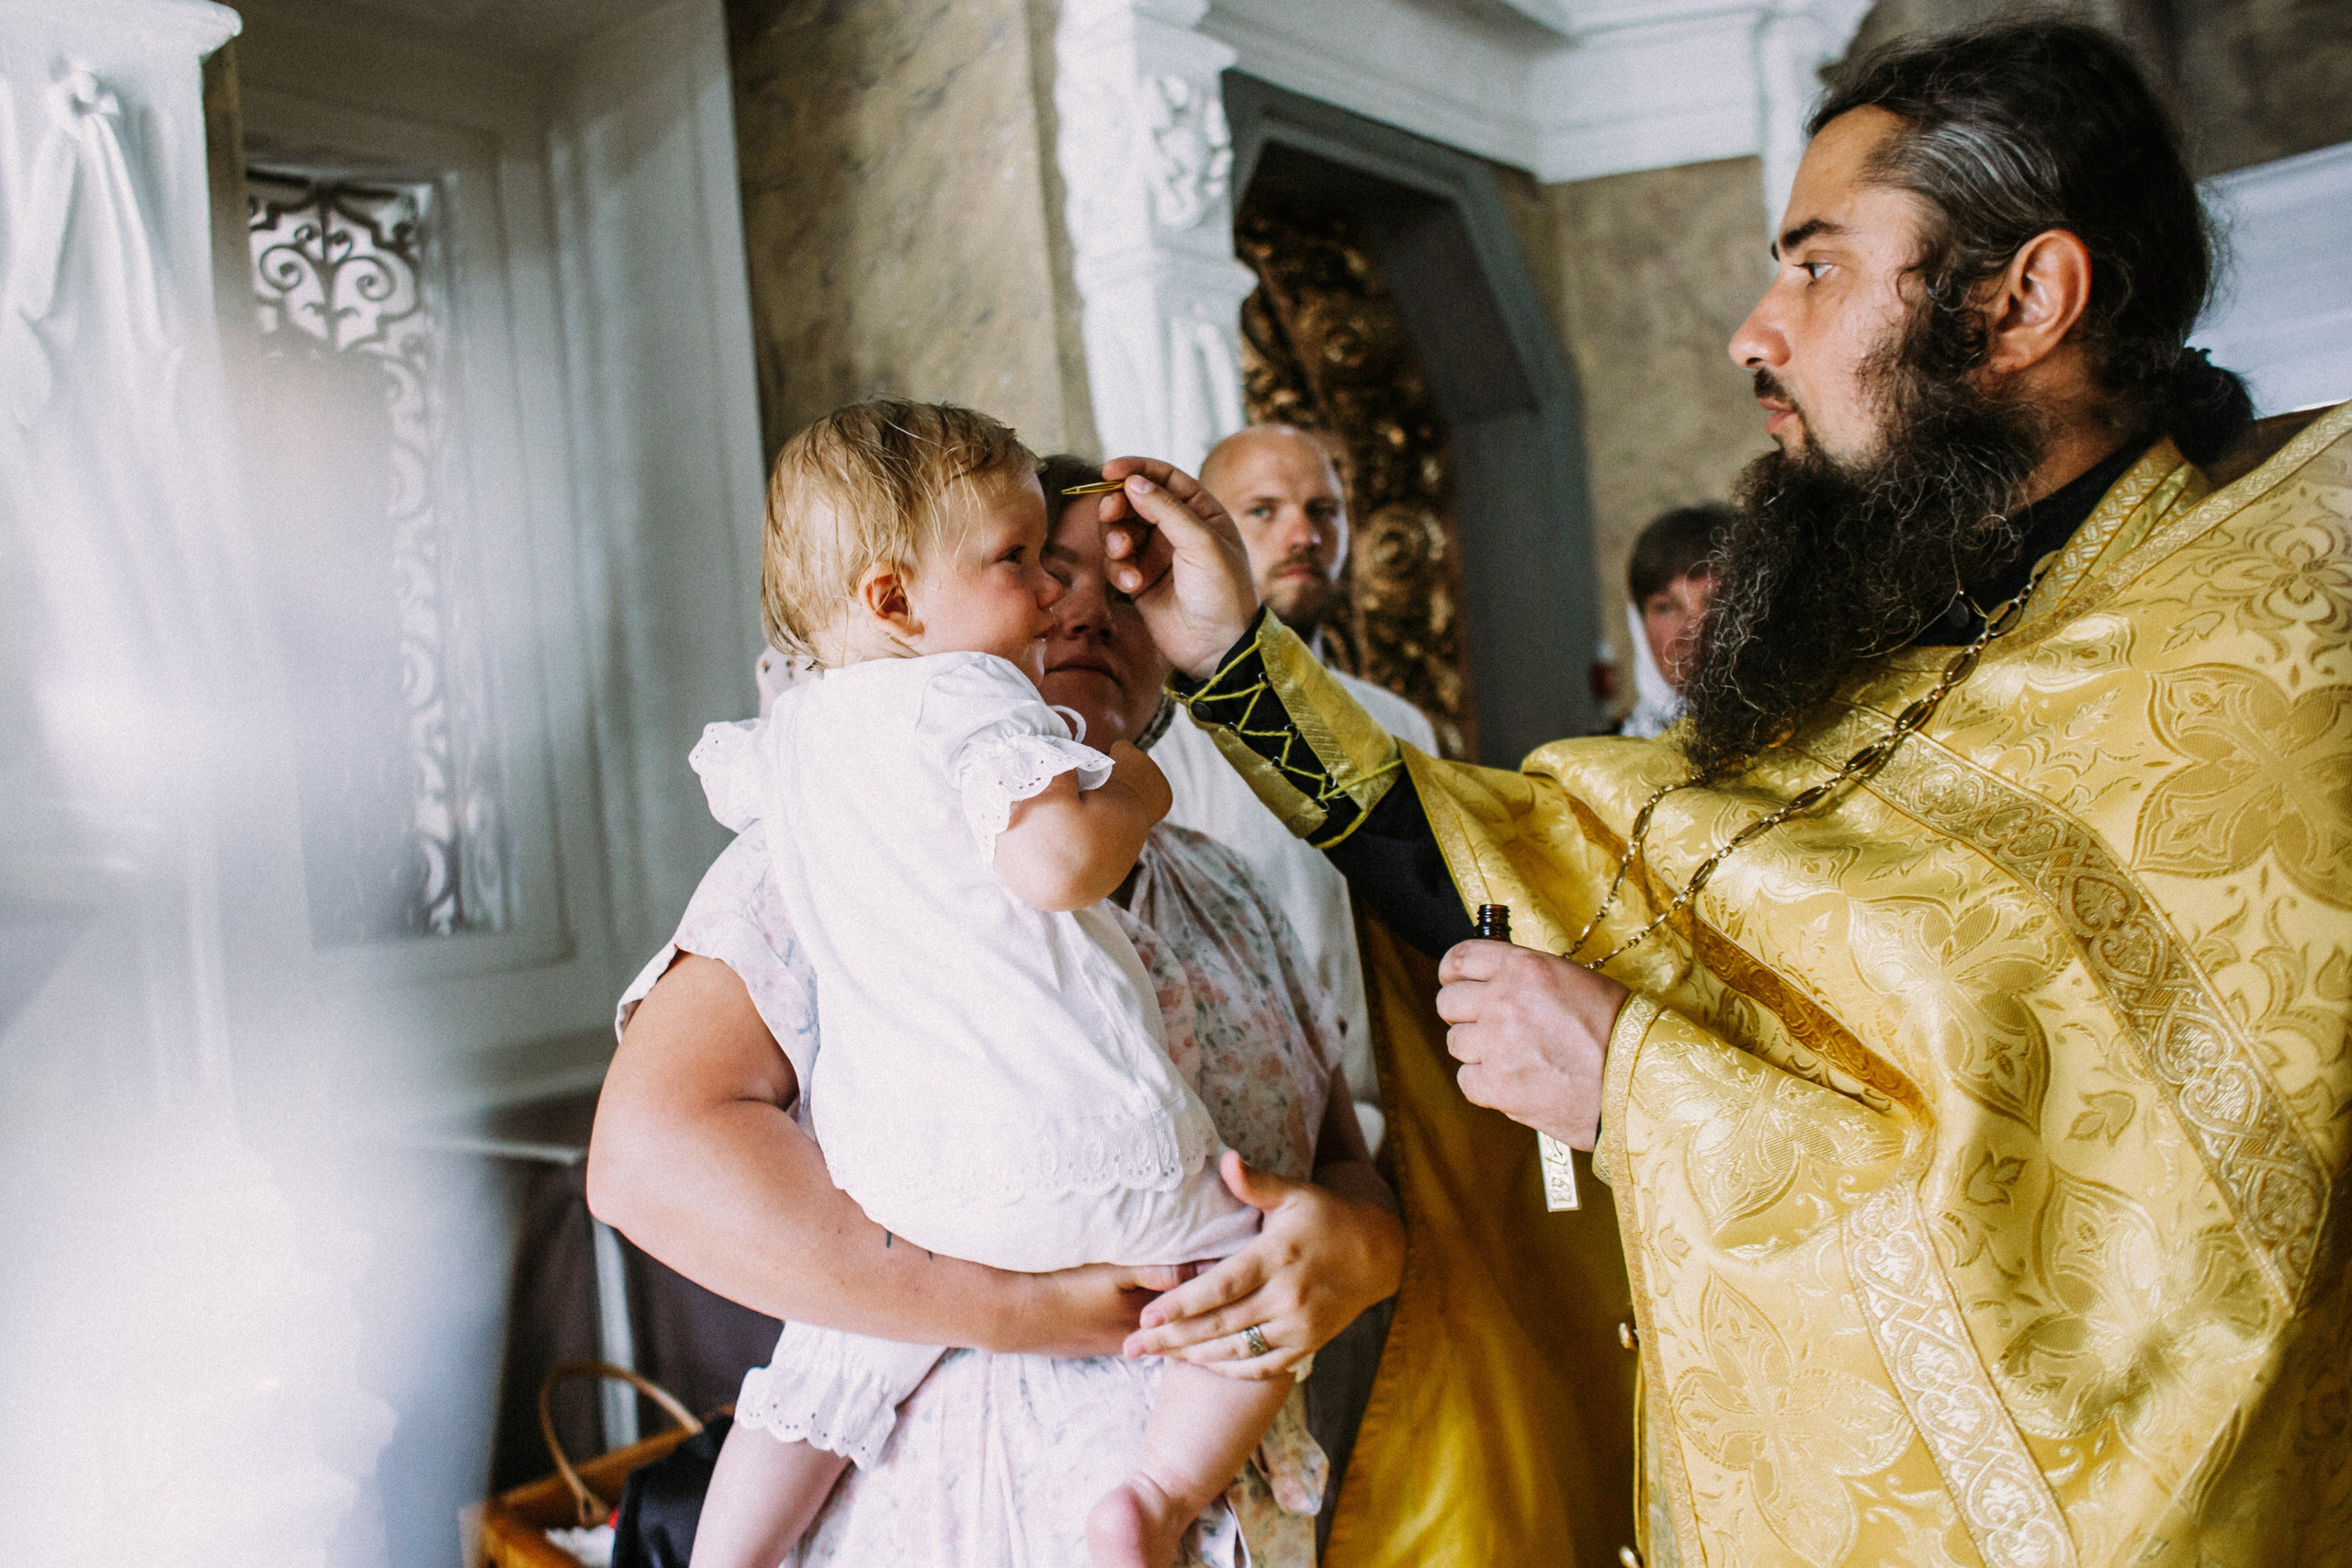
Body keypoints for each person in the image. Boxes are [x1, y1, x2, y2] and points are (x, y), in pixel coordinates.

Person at [1092, 20, 2352, 1565]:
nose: (1757, 333)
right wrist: (1232, 657)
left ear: (2026, 299)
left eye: (1818, 267)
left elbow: (2165, 1276)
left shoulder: (2283, 647)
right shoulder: (1920, 627)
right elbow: (1579, 872)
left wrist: (1635, 1088)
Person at [586, 439, 1403, 1568]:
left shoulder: (1225, 889)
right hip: (960, 1517)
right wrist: (1020, 1306)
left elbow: (1342, 1162)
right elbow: (647, 1162)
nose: (1083, 610)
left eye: (1130, 587)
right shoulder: (834, 855)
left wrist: (1355, 1248)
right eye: (1042, 568)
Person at [1152, 423, 1440, 1126]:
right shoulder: (1163, 733)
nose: (1304, 535)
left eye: (1323, 511)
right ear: (1201, 532)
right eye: (1263, 510)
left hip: (1412, 1111)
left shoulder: (1400, 724)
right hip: (1252, 1125)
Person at [1618, 502, 1729, 739]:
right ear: (1639, 623)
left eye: (1717, 603)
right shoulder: (1597, 757)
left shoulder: (1805, 749)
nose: (1694, 631)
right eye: (1666, 608)